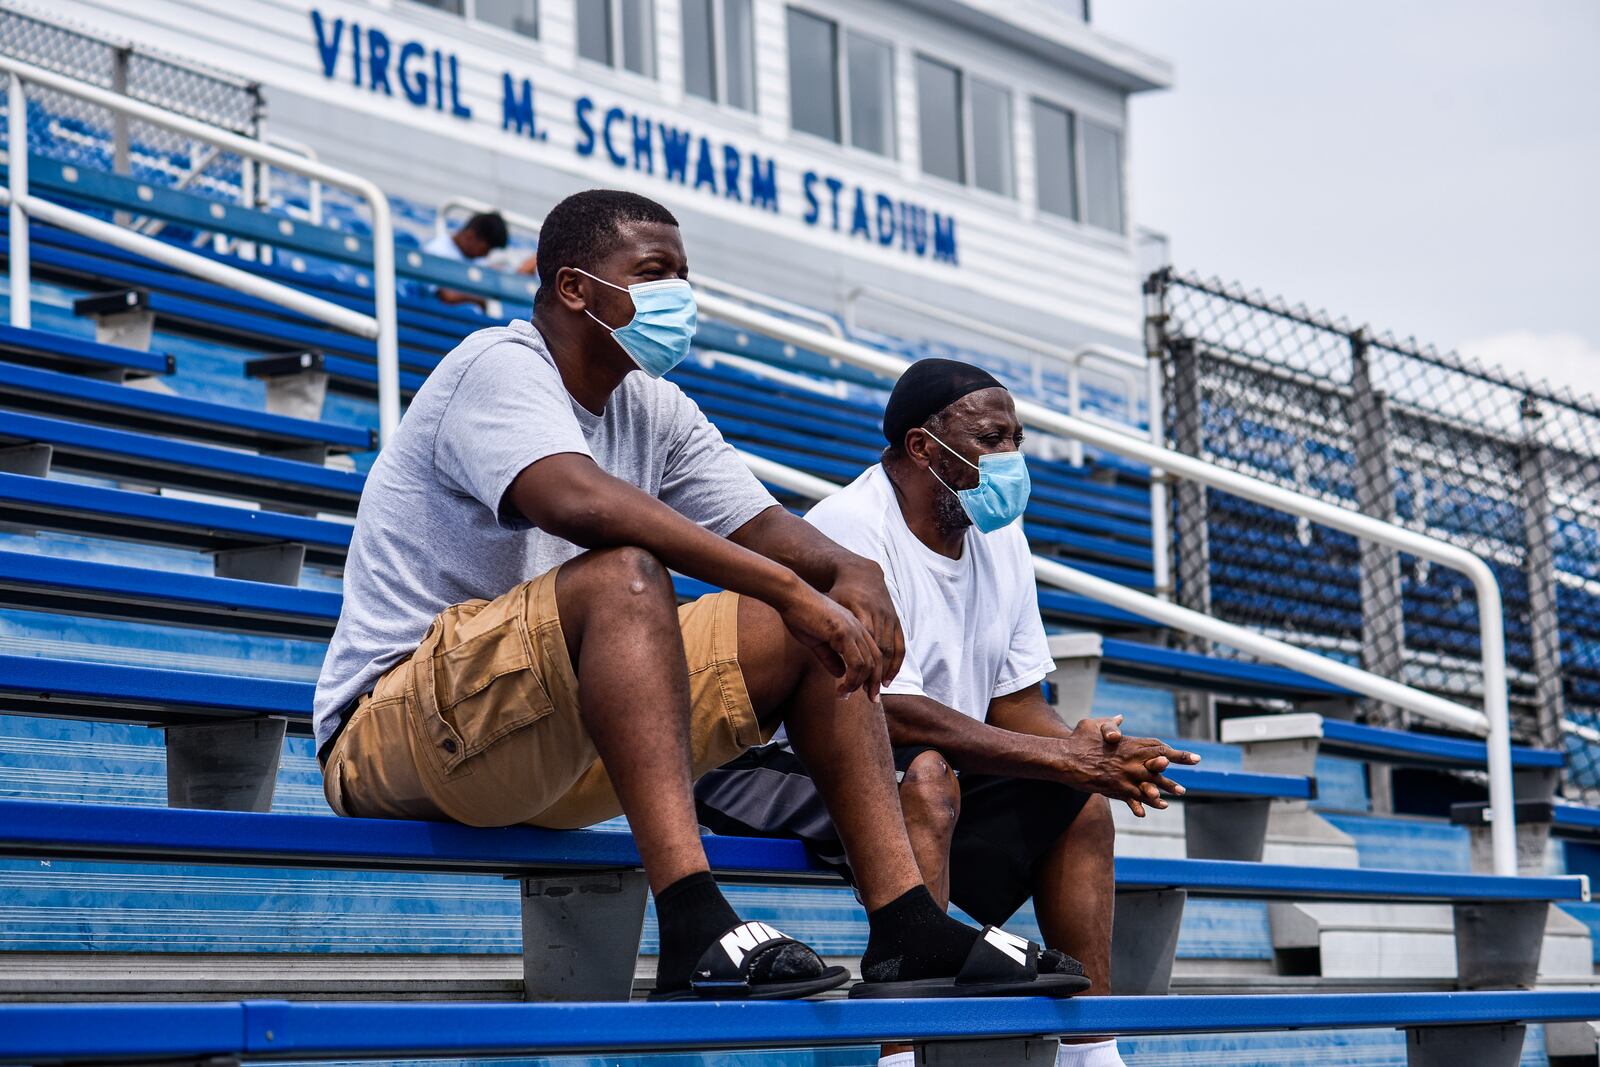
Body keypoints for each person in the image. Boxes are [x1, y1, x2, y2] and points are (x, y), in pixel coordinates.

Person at [314, 190, 1088, 1002]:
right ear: (575, 287)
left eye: (683, 272)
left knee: (814, 622)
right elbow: (575, 502)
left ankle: (906, 925)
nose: (679, 292)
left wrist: (850, 576)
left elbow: (769, 526)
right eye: (654, 272)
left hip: (552, 743)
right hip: (398, 731)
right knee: (630, 574)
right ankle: (692, 920)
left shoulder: (654, 405)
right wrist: (795, 586)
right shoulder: (498, 366)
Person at [696, 358, 1200, 1057]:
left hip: (935, 765)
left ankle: (1092, 1048)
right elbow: (880, 710)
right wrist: (1061, 755)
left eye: (1016, 439)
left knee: (1080, 801)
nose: (1010, 458)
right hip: (791, 762)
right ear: (922, 448)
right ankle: (905, 1048)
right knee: (927, 775)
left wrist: (1090, 756)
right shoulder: (849, 526)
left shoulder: (1001, 538)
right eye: (992, 438)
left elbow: (1016, 702)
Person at [422, 211, 516, 308]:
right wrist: (481, 301)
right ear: (470, 237)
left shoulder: (471, 256)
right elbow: (446, 296)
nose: (485, 255)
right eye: (485, 250)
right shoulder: (437, 251)